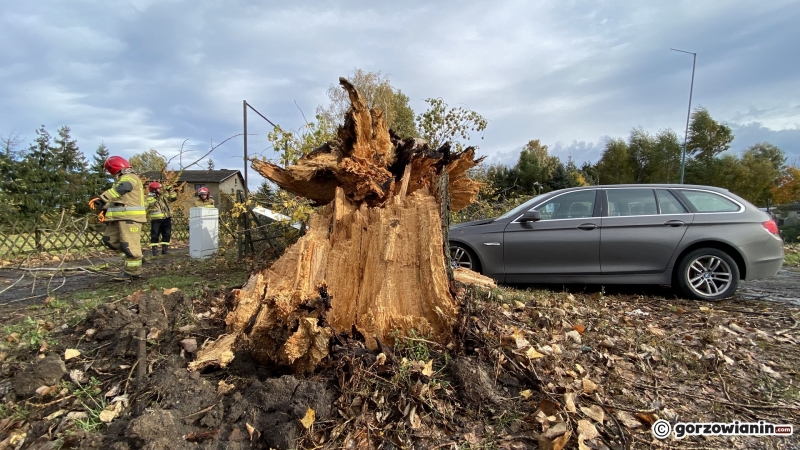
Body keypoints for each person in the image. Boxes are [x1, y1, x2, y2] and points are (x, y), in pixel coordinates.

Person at [88, 156, 146, 281]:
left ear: (112, 168)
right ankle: (135, 256)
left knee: (129, 246)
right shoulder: (121, 180)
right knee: (109, 240)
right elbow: (119, 199)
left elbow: (124, 188)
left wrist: (102, 198)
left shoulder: (130, 177)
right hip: (119, 217)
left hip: (130, 218)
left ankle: (132, 272)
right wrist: (104, 209)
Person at [145, 181, 178, 256]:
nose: (161, 190)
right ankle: (155, 251)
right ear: (154, 190)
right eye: (159, 189)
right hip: (156, 220)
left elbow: (173, 198)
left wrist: (170, 190)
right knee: (155, 235)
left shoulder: (164, 196)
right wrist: (154, 197)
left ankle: (165, 250)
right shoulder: (149, 198)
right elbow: (146, 206)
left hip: (167, 218)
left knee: (167, 234)